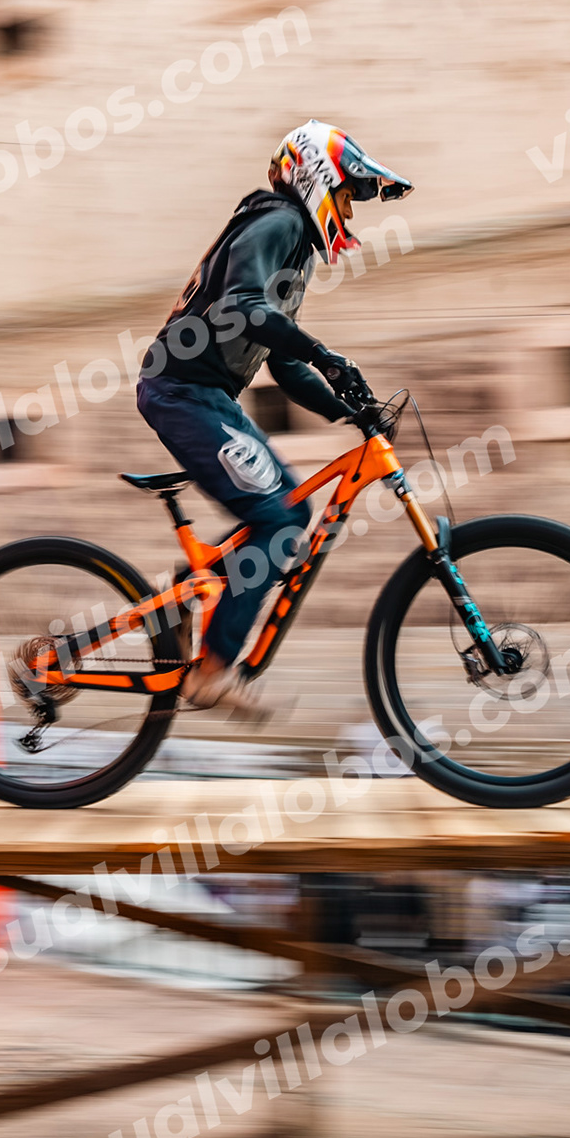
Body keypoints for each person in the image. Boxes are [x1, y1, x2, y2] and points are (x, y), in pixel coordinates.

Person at [136, 119, 412, 717]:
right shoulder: (279, 220)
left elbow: (283, 365)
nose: (350, 213)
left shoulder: (294, 250)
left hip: (206, 396)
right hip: (181, 391)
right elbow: (242, 305)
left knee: (288, 510)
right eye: (347, 196)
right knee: (280, 521)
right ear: (318, 180)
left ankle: (179, 600)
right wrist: (325, 355)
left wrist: (349, 409)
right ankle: (212, 672)